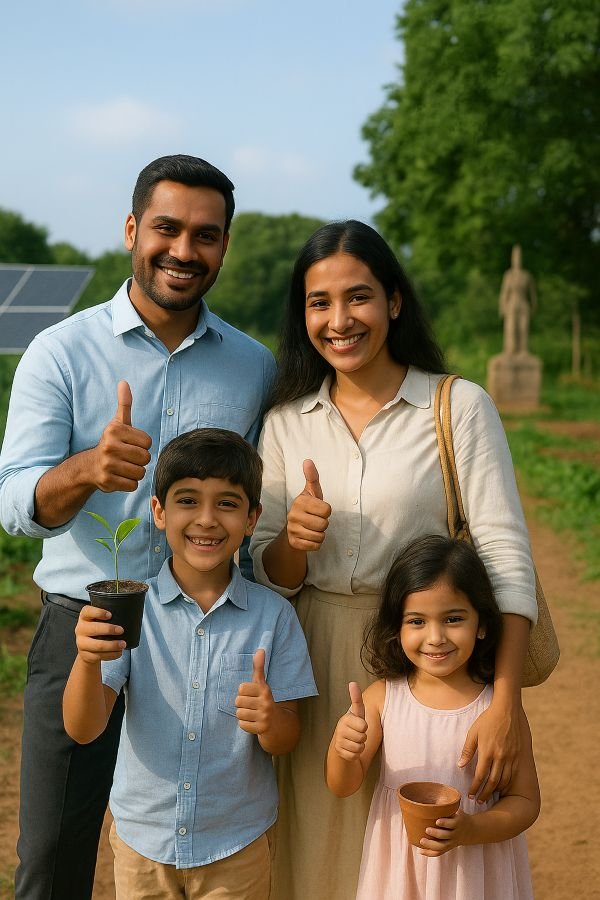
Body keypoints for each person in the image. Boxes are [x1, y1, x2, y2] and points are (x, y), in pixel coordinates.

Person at [0, 154, 276, 900]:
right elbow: (15, 501)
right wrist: (86, 469)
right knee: (54, 855)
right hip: (88, 625)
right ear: (131, 230)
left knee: (205, 841)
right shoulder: (61, 351)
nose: (184, 251)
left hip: (211, 634)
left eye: (206, 235)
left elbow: (265, 508)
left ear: (224, 245)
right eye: (166, 228)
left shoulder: (254, 366)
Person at [249, 220, 538, 899]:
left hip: (428, 659)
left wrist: (504, 703)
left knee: (432, 847)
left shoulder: (457, 405)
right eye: (319, 303)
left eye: (360, 297)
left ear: (394, 302)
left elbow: (504, 555)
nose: (339, 320)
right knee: (321, 848)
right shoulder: (286, 420)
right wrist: (294, 540)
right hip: (315, 658)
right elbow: (269, 569)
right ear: (304, 315)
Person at [63, 428, 317, 899]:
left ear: (252, 517)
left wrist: (269, 720)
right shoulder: (130, 610)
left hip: (235, 846)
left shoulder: (274, 616)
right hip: (145, 843)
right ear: (158, 512)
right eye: (187, 500)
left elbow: (287, 738)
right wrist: (84, 660)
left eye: (227, 503)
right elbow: (83, 727)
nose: (206, 519)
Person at [326, 534, 540, 899]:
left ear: (483, 624)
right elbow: (343, 785)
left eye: (453, 618)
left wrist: (472, 829)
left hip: (476, 875)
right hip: (398, 877)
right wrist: (343, 749)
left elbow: (525, 802)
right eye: (417, 621)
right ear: (397, 627)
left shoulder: (499, 714)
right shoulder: (381, 699)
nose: (436, 637)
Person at [499, 244, 537, 355]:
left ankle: (523, 350)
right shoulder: (509, 275)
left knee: (523, 328)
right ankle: (510, 350)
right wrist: (502, 307)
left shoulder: (526, 275)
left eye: (519, 257)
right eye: (515, 257)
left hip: (523, 303)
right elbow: (504, 293)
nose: (517, 260)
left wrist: (534, 305)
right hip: (512, 304)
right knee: (510, 328)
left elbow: (532, 293)